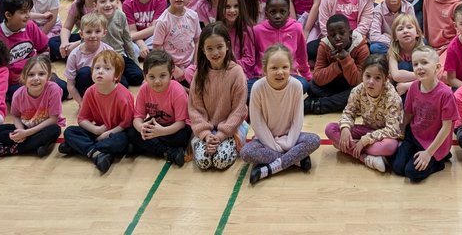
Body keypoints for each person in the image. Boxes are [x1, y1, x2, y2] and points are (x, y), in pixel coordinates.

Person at [242, 44, 320, 184]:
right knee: (246, 152)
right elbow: (257, 122)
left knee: (314, 140)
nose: (280, 72)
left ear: (290, 67)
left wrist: (289, 143)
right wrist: (274, 146)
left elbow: (298, 119)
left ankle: (269, 169)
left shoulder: (296, 86)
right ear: (265, 69)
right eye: (274, 68)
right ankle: (296, 160)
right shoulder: (258, 87)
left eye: (284, 67)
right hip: (265, 140)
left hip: (291, 137)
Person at [59, 49, 134, 174]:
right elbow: (82, 120)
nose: (100, 71)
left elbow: (126, 124)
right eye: (97, 68)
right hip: (99, 130)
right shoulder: (90, 92)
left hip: (116, 132)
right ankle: (98, 154)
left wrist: (106, 133)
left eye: (107, 69)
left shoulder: (123, 96)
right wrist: (96, 130)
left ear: (116, 76)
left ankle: (82, 148)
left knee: (121, 142)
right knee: (69, 132)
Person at [325, 53, 403, 173]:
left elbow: (393, 130)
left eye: (377, 78)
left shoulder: (392, 97)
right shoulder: (357, 90)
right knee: (330, 128)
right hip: (366, 129)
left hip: (384, 135)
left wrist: (365, 140)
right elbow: (349, 112)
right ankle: (366, 158)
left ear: (386, 79)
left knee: (390, 147)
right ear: (362, 74)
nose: (371, 82)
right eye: (367, 76)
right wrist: (345, 128)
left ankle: (347, 147)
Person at [392, 43, 456, 182]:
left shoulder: (445, 94)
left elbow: (447, 128)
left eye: (424, 63)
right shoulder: (414, 87)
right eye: (415, 64)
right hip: (414, 135)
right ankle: (417, 155)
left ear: (437, 67)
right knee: (397, 168)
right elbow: (408, 113)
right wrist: (400, 131)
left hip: (434, 143)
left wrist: (428, 153)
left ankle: (439, 161)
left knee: (411, 173)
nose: (419, 67)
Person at [190, 23, 250, 171]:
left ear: (227, 46)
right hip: (207, 128)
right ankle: (200, 141)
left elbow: (238, 110)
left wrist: (221, 135)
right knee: (204, 162)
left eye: (219, 47)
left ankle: (234, 142)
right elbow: (195, 109)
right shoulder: (199, 75)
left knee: (220, 161)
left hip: (231, 127)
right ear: (202, 50)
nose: (215, 52)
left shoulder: (236, 72)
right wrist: (206, 135)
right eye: (209, 48)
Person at [0, 54, 63, 159]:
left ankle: (10, 149)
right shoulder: (18, 94)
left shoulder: (53, 89)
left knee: (54, 130)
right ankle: (38, 146)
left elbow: (54, 119)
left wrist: (26, 133)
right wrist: (20, 131)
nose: (36, 78)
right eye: (31, 75)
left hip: (45, 127)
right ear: (24, 78)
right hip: (26, 126)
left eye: (41, 74)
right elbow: (16, 116)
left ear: (48, 76)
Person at [128, 50, 192, 166]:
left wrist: (161, 132)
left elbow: (181, 123)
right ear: (145, 75)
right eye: (151, 77)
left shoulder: (177, 91)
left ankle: (148, 148)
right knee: (132, 131)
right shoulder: (143, 89)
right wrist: (141, 127)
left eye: (162, 76)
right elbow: (138, 117)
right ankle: (168, 152)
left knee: (181, 137)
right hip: (157, 126)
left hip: (175, 128)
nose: (157, 81)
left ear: (171, 74)